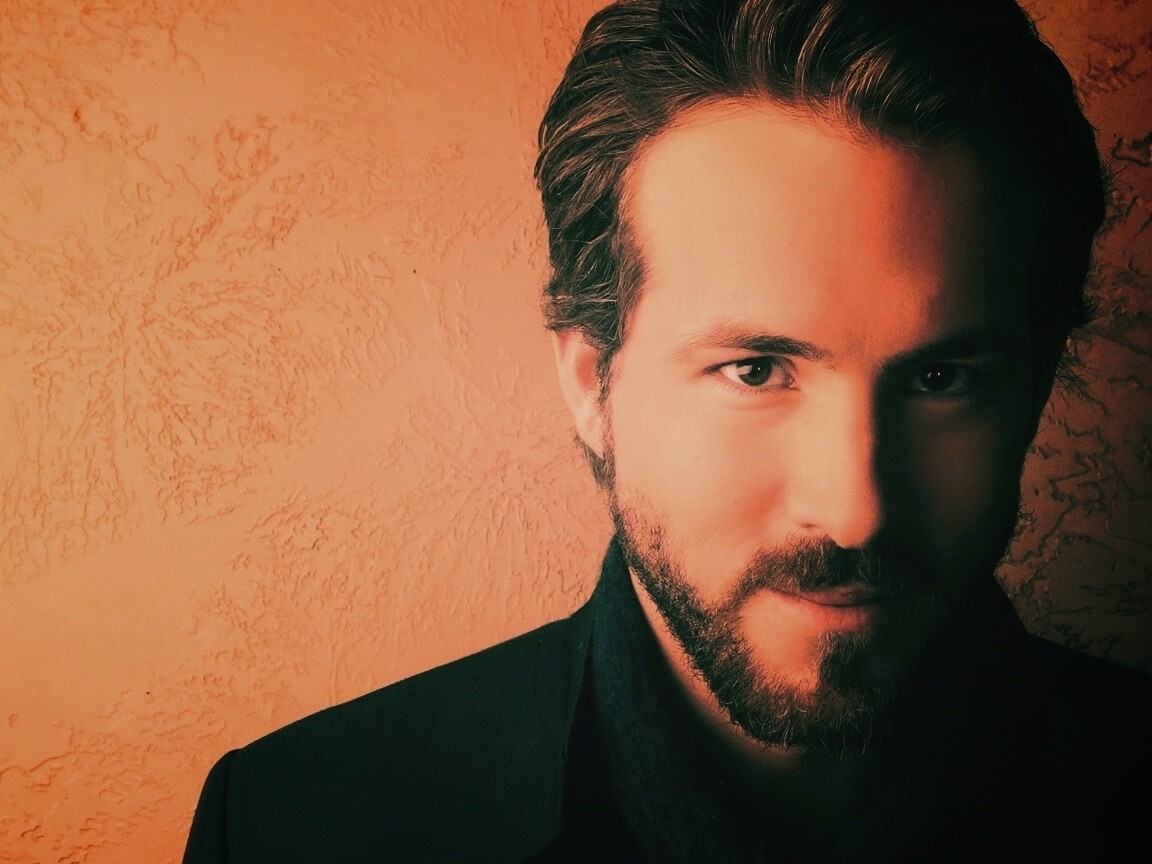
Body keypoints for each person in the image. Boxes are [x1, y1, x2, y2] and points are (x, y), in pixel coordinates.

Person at [183, 0, 1152, 861]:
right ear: (591, 384)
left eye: (942, 379)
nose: (856, 512)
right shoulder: (292, 826)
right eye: (755, 370)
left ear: (1036, 386)